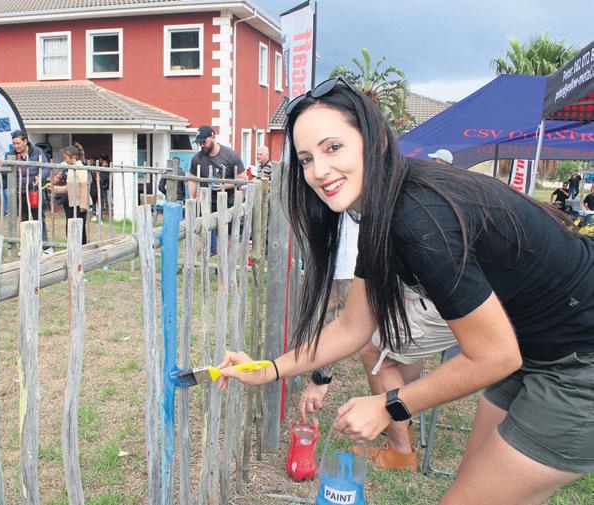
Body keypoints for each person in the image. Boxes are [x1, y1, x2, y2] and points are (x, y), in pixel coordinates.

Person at [218, 77, 594, 504]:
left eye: (332, 147)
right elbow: (353, 326)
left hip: (580, 358)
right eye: (306, 159)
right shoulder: (381, 211)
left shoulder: (418, 219)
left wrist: (388, 405)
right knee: (476, 485)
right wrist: (269, 369)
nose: (318, 171)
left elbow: (494, 356)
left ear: (376, 142)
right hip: (533, 348)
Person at [299, 215, 457, 472]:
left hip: (452, 300)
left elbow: (338, 311)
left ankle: (400, 451)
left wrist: (320, 379)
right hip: (446, 287)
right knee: (400, 341)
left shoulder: (346, 223)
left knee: (375, 351)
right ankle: (401, 426)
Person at [186, 125, 247, 253]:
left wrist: (225, 185)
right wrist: (192, 196)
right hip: (206, 201)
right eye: (199, 143)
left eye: (204, 142)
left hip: (227, 201)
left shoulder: (230, 155)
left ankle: (224, 259)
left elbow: (243, 178)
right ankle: (204, 258)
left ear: (213, 137)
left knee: (225, 234)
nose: (202, 145)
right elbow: (192, 178)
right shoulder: (197, 158)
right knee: (203, 230)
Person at [9, 130, 51, 250]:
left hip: (34, 191)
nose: (15, 146)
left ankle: (45, 247)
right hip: (20, 192)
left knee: (39, 218)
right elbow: (6, 170)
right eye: (14, 144)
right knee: (23, 220)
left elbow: (46, 168)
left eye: (18, 143)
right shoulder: (11, 154)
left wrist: (40, 177)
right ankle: (26, 246)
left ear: (25, 141)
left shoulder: (38, 152)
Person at [54, 143, 89, 245]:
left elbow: (84, 186)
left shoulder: (80, 168)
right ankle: (72, 247)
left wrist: (83, 206)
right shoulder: (71, 168)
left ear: (73, 157)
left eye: (66, 158)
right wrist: (54, 188)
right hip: (71, 203)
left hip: (78, 205)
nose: (65, 161)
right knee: (71, 228)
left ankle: (81, 248)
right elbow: (69, 188)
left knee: (79, 229)